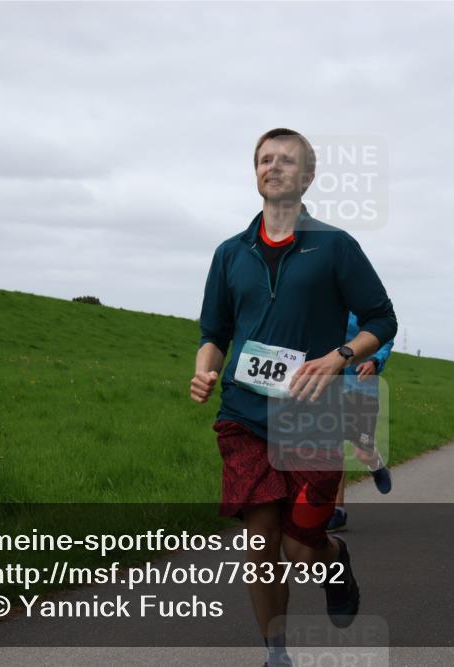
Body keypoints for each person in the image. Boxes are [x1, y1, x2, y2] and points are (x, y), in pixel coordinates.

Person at [190, 128, 396, 667]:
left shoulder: (336, 246)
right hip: (245, 412)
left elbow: (382, 318)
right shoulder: (230, 253)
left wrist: (338, 358)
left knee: (301, 551)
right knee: (260, 547)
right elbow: (214, 331)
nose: (273, 166)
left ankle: (335, 559)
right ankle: (275, 654)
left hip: (312, 419)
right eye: (264, 159)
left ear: (307, 177)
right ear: (254, 172)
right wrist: (205, 372)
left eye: (286, 160)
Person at [327, 312, 394, 533]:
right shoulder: (325, 301)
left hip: (361, 388)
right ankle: (337, 510)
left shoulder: (364, 304)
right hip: (330, 387)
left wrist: (375, 360)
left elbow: (385, 335)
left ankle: (374, 462)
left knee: (361, 453)